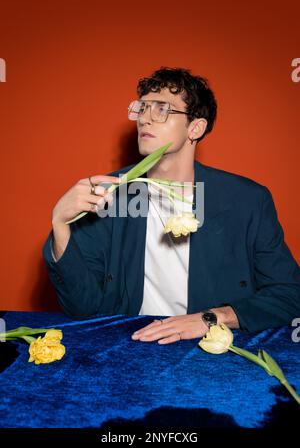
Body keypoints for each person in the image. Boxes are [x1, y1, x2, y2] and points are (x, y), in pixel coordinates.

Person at [43, 67, 300, 345]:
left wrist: (212, 318)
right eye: (142, 108)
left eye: (162, 109)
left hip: (212, 350)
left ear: (195, 128)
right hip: (133, 343)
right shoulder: (111, 195)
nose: (145, 119)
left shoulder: (247, 200)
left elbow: (290, 295)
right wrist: (60, 225)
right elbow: (82, 307)